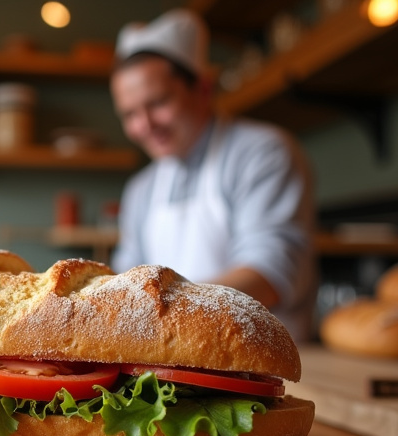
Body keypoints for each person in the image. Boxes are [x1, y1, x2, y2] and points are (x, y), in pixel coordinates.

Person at [109, 8, 316, 341]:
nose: (144, 126)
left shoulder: (262, 152)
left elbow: (269, 274)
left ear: (203, 89)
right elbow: (125, 281)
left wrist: (163, 313)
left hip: (261, 363)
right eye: (130, 113)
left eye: (159, 102)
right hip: (172, 363)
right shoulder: (141, 188)